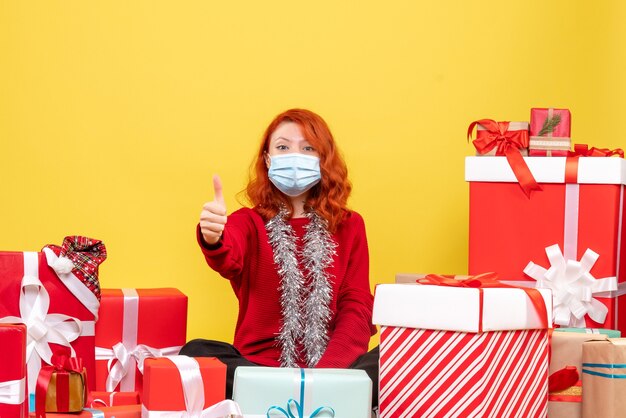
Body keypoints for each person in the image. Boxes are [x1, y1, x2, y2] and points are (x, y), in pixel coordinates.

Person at [180, 108, 378, 405]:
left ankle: (289, 399)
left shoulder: (350, 225)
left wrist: (324, 375)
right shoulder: (248, 221)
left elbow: (357, 305)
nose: (294, 156)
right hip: (260, 369)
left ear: (324, 159)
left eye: (308, 148)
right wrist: (213, 235)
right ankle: (307, 399)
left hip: (334, 369)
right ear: (268, 159)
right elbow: (228, 255)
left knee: (396, 357)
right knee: (195, 353)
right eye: (283, 147)